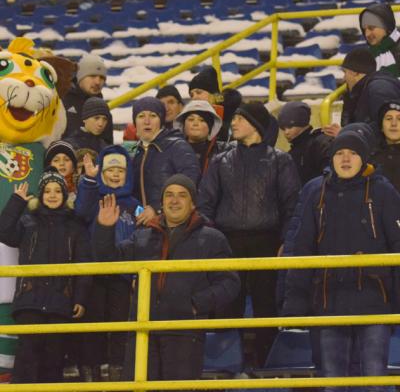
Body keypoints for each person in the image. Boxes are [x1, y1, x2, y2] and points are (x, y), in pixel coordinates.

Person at [282, 129, 400, 392]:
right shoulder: (316, 192)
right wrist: (294, 304)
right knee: (333, 382)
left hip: (375, 302)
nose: (345, 159)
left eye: (353, 153)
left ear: (364, 158)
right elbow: (302, 249)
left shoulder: (383, 191)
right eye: (340, 153)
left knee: (375, 382)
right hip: (329, 302)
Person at [93, 174, 240, 382]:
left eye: (182, 195)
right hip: (143, 331)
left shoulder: (212, 239)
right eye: (169, 195)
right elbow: (107, 260)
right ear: (161, 203)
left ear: (193, 204)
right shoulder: (143, 236)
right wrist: (104, 228)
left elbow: (229, 283)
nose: (174, 200)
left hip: (184, 333)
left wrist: (195, 304)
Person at [198, 101, 301, 367]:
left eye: (240, 119)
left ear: (256, 125)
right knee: (226, 305)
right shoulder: (220, 161)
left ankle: (268, 366)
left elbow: (292, 205)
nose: (233, 123)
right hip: (227, 242)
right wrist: (213, 241)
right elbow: (205, 203)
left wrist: (285, 241)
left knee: (267, 306)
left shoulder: (280, 160)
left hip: (268, 242)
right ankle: (225, 366)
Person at [0, 168, 91, 384]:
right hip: (29, 301)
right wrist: (16, 202)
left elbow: (83, 264)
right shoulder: (27, 221)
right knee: (27, 357)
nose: (52, 195)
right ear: (41, 195)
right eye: (47, 191)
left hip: (60, 302)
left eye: (57, 191)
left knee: (53, 359)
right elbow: (4, 232)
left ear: (65, 195)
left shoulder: (75, 226)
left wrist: (80, 298)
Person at [74, 144, 140, 382]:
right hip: (95, 273)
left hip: (123, 275)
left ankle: (117, 368)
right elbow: (81, 211)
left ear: (128, 174)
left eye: (120, 171)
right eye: (110, 170)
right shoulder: (94, 199)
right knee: (94, 324)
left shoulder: (134, 205)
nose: (115, 175)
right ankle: (91, 368)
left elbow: (142, 238)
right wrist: (89, 181)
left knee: (120, 324)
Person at [131, 96, 200, 227]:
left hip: (173, 225)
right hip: (143, 226)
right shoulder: (135, 152)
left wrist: (157, 208)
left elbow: (190, 183)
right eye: (141, 116)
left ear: (161, 121)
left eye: (153, 116)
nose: (147, 121)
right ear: (135, 122)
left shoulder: (177, 146)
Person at [340, 46, 400, 134]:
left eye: (345, 72)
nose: (343, 79)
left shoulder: (379, 89)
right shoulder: (360, 90)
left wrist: (347, 133)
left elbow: (387, 132)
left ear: (354, 72)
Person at [62, 54, 113, 144]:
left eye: (102, 78)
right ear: (80, 77)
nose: (97, 82)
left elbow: (107, 143)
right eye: (92, 76)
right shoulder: (61, 100)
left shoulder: (103, 108)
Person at [278, 101, 332, 185]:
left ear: (302, 123)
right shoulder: (293, 152)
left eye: (290, 127)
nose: (286, 132)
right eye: (283, 128)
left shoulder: (320, 143)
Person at [174, 100, 231, 175]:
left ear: (210, 127)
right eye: (191, 119)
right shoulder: (172, 150)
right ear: (183, 125)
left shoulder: (224, 151)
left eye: (202, 120)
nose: (195, 124)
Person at [188, 66, 242, 141]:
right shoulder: (188, 119)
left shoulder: (235, 116)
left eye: (199, 92)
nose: (194, 98)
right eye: (191, 95)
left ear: (214, 95)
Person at [359, 2, 400, 77]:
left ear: (386, 27)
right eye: (364, 30)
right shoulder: (368, 55)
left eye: (371, 28)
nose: (367, 34)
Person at [371, 100, 400, 192]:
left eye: (399, 119)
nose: (394, 124)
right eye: (389, 119)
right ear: (381, 127)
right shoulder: (370, 157)